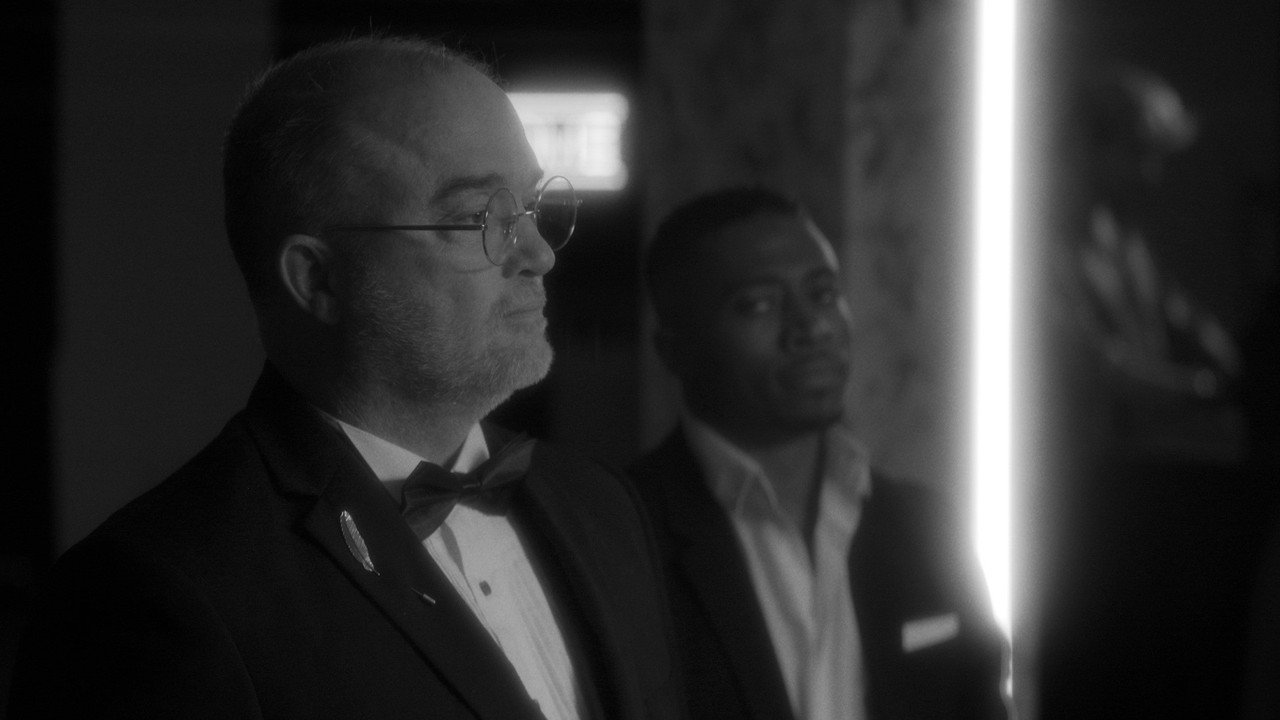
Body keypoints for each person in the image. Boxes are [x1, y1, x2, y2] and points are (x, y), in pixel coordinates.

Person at [7, 36, 683, 720]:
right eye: (477, 219)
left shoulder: (601, 506)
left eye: (531, 207)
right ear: (317, 280)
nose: (539, 254)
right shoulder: (161, 591)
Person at [627, 187, 1008, 720]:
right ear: (674, 349)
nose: (811, 326)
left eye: (824, 293)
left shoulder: (924, 526)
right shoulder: (624, 536)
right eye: (759, 304)